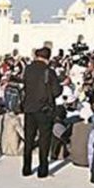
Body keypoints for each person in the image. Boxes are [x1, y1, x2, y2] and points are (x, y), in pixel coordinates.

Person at [22, 47, 62, 178]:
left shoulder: (27, 69)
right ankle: (42, 169)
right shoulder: (49, 72)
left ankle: (26, 168)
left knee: (29, 138)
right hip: (44, 110)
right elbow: (56, 92)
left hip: (29, 108)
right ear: (48, 58)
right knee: (44, 139)